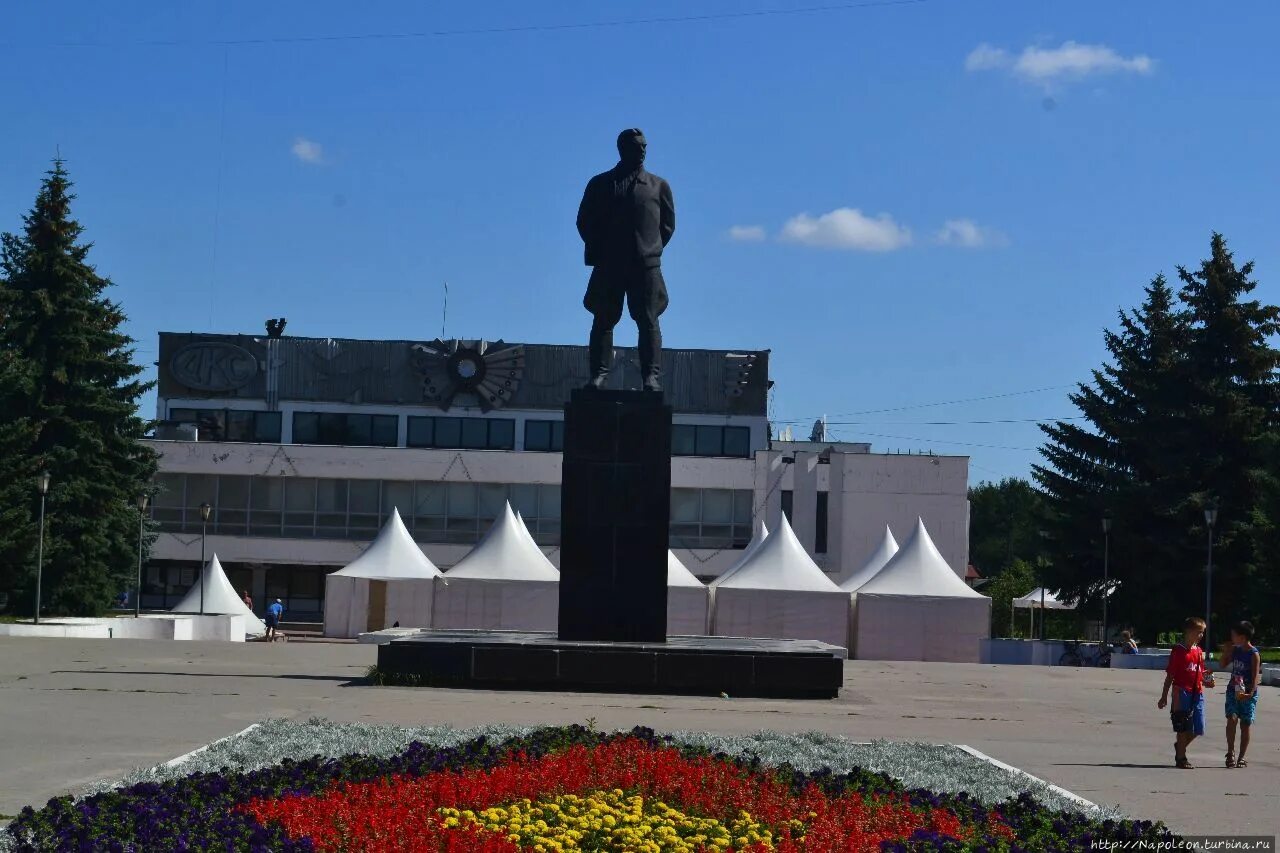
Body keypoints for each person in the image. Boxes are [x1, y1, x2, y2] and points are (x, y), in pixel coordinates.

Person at [576, 128, 676, 392]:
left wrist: (649, 249)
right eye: (636, 146)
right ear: (622, 149)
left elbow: (667, 226)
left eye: (644, 146)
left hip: (645, 265)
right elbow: (584, 221)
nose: (642, 150)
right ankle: (598, 375)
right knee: (603, 319)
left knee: (648, 320)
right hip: (609, 265)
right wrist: (603, 249)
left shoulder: (658, 186)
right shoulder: (600, 184)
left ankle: (650, 377)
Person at [1158, 616, 1215, 769]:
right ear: (1188, 632)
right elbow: (1170, 674)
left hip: (1197, 692)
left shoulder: (1198, 651)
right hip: (1181, 691)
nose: (1201, 635)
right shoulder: (1178, 651)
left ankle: (1180, 747)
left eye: (1202, 632)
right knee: (1182, 725)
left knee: (1199, 727)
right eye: (1199, 632)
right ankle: (1181, 757)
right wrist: (1164, 696)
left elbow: (1201, 670)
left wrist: (1208, 680)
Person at [1219, 620, 1261, 768]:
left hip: (1248, 692)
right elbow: (1222, 665)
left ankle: (1241, 757)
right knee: (1231, 718)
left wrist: (1251, 692)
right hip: (1233, 689)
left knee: (1245, 724)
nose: (1231, 637)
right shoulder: (1235, 650)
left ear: (1242, 637)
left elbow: (1256, 675)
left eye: (1234, 635)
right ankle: (1230, 752)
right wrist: (1226, 651)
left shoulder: (1253, 653)